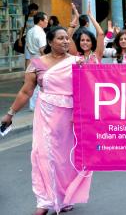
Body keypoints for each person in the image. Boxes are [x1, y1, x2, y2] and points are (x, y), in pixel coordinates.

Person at [1, 26, 93, 215]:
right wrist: (10, 114)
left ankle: (65, 196)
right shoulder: (36, 64)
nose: (66, 41)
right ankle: (44, 201)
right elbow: (26, 91)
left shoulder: (78, 62)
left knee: (64, 160)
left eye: (67, 38)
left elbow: (88, 88)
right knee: (41, 155)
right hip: (45, 115)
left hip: (70, 119)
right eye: (60, 38)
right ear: (50, 42)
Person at [26, 12, 48, 111]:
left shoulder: (30, 31)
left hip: (32, 58)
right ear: (40, 21)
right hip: (40, 59)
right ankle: (37, 105)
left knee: (32, 83)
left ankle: (32, 105)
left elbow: (27, 46)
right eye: (46, 19)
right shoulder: (40, 32)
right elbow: (42, 49)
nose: (47, 21)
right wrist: (48, 61)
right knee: (41, 83)